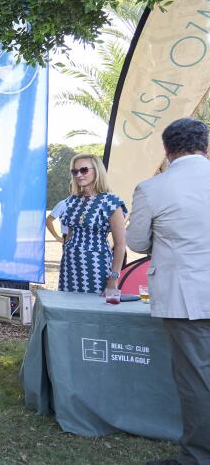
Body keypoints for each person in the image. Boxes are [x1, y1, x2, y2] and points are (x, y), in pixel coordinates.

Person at [126, 118, 210, 465]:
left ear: (167, 149)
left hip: (187, 298)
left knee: (198, 380)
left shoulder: (153, 188)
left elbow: (136, 241)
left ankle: (199, 456)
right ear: (205, 144)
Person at [57, 154, 126, 295]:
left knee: (93, 306)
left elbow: (120, 245)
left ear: (97, 171)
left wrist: (113, 278)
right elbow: (69, 235)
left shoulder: (110, 202)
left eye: (84, 170)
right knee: (68, 306)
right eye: (75, 171)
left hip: (96, 266)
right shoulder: (71, 201)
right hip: (69, 266)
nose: (79, 175)